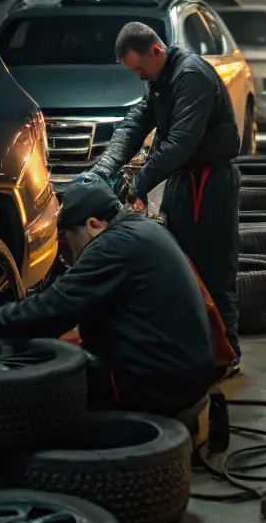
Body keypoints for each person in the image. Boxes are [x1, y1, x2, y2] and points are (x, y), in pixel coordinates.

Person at [0, 177, 218, 415]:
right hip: (188, 372)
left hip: (159, 385)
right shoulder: (143, 229)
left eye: (69, 243)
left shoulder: (111, 247)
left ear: (92, 225)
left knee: (45, 389)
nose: (70, 258)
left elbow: (52, 311)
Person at [92, 22, 243, 374]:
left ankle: (227, 354)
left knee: (213, 270)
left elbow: (180, 142)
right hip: (183, 182)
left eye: (140, 68)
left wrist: (139, 184)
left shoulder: (192, 76)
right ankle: (196, 350)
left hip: (210, 186)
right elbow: (135, 124)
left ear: (156, 51)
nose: (140, 76)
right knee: (184, 268)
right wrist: (105, 167)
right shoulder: (160, 80)